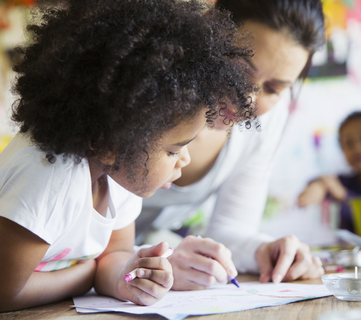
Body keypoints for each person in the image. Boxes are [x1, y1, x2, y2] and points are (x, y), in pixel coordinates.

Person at [0, 0, 257, 318]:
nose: (184, 160)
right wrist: (88, 274)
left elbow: (115, 254)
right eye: (173, 150)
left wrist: (128, 277)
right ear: (112, 144)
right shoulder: (49, 176)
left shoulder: (118, 175)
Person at [136, 0, 327, 291]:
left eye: (274, 88)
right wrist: (142, 262)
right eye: (240, 70)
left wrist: (262, 251)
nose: (249, 98)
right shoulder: (141, 87)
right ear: (210, 28)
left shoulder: (267, 122)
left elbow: (230, 230)